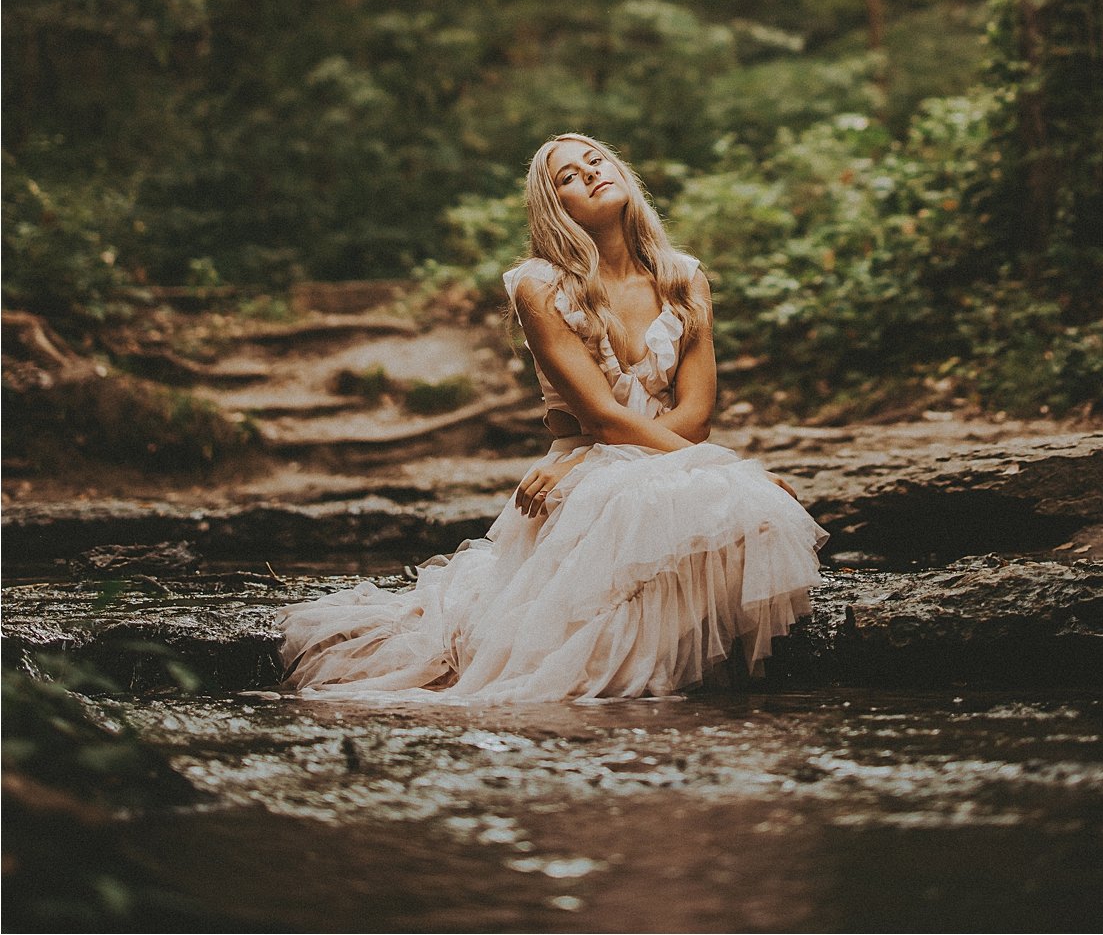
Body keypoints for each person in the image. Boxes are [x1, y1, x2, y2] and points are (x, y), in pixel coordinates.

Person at [280, 132, 827, 703]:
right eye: (568, 176)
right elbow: (602, 416)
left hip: (670, 456)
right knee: (716, 502)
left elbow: (697, 416)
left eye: (595, 161)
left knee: (751, 512)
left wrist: (717, 470)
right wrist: (626, 463)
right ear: (555, 206)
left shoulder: (684, 277)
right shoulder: (541, 287)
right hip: (584, 468)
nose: (590, 174)